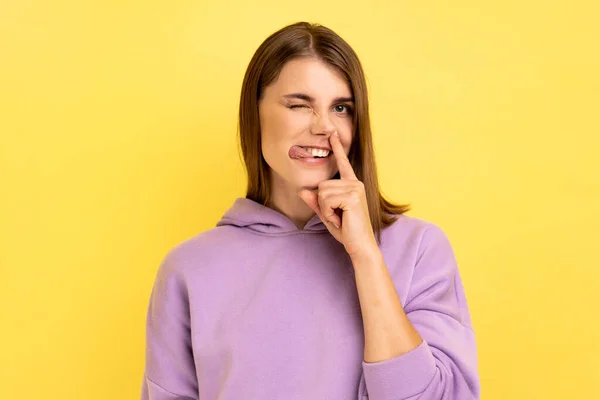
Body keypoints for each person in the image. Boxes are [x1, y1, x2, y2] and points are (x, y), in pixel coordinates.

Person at [140, 21, 480, 400]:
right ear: (255, 112)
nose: (324, 127)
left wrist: (365, 255)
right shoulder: (188, 269)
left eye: (341, 108)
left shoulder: (419, 249)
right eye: (299, 105)